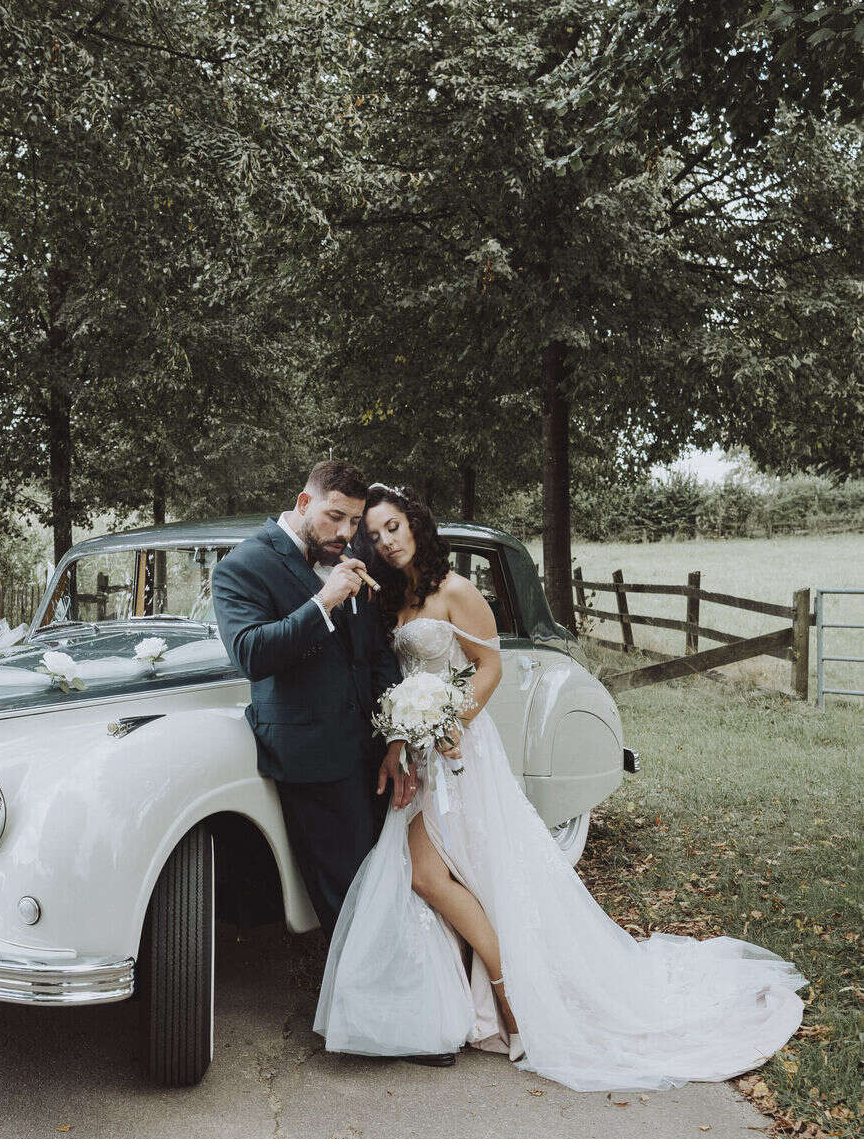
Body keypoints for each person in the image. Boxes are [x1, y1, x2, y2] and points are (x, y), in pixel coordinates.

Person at [314, 483, 807, 1092]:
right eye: (376, 534)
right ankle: (479, 995)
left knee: (433, 873)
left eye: (394, 527)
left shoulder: (455, 590)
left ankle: (510, 993)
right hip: (419, 751)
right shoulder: (394, 599)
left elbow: (489, 666)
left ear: (415, 523)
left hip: (460, 749)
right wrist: (402, 738)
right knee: (455, 873)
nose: (387, 541)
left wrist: (451, 721)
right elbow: (401, 677)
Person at [212, 464, 458, 1070]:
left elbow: (375, 656)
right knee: (350, 894)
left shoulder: (352, 561)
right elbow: (251, 654)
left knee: (389, 880)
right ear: (304, 501)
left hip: (370, 752)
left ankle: (400, 1014)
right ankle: (385, 1028)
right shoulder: (242, 566)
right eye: (336, 517)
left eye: (354, 521)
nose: (347, 532)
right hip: (311, 757)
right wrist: (323, 601)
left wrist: (395, 739)